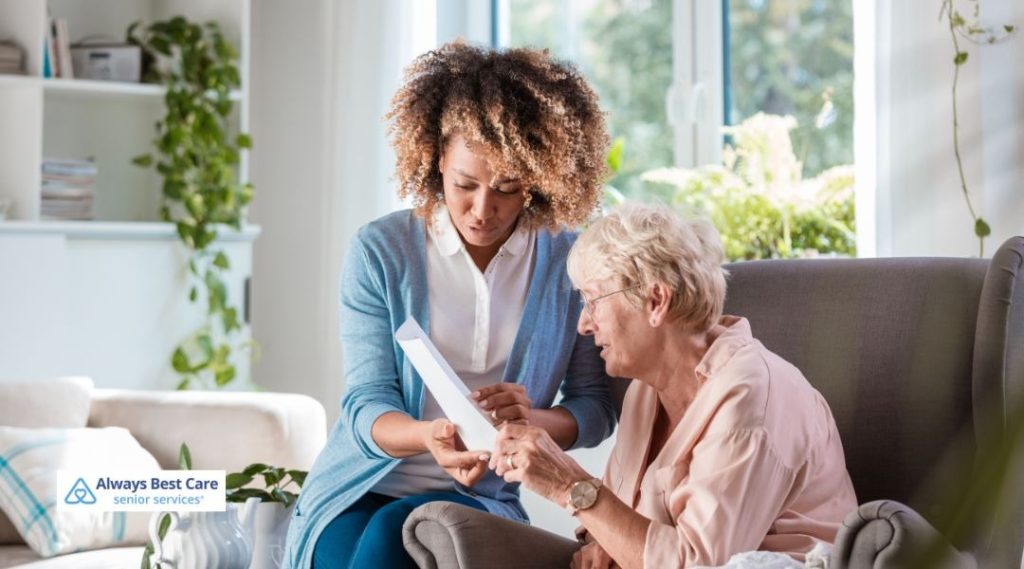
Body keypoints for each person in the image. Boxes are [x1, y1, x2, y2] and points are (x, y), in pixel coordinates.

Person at [284, 41, 618, 569]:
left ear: (537, 181)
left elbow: (596, 407)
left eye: (507, 189)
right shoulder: (380, 252)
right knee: (354, 547)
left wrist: (530, 421)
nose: (482, 209)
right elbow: (365, 403)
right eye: (465, 184)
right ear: (438, 159)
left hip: (479, 495)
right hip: (359, 487)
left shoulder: (568, 263)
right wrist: (428, 438)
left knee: (398, 534)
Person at [491, 203, 858, 569]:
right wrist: (602, 540)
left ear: (656, 301)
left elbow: (699, 565)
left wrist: (567, 484)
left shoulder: (752, 395)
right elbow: (616, 516)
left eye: (593, 301)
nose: (584, 325)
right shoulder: (645, 391)